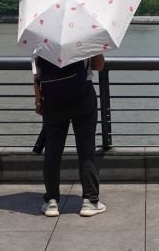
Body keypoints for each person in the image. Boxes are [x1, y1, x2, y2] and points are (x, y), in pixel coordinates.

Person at [33, 52, 107, 218]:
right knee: (86, 148)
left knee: (52, 150)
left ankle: (52, 201)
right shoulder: (85, 35)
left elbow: (37, 75)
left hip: (53, 99)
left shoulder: (42, 39)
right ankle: (90, 201)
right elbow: (99, 66)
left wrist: (38, 100)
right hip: (83, 96)